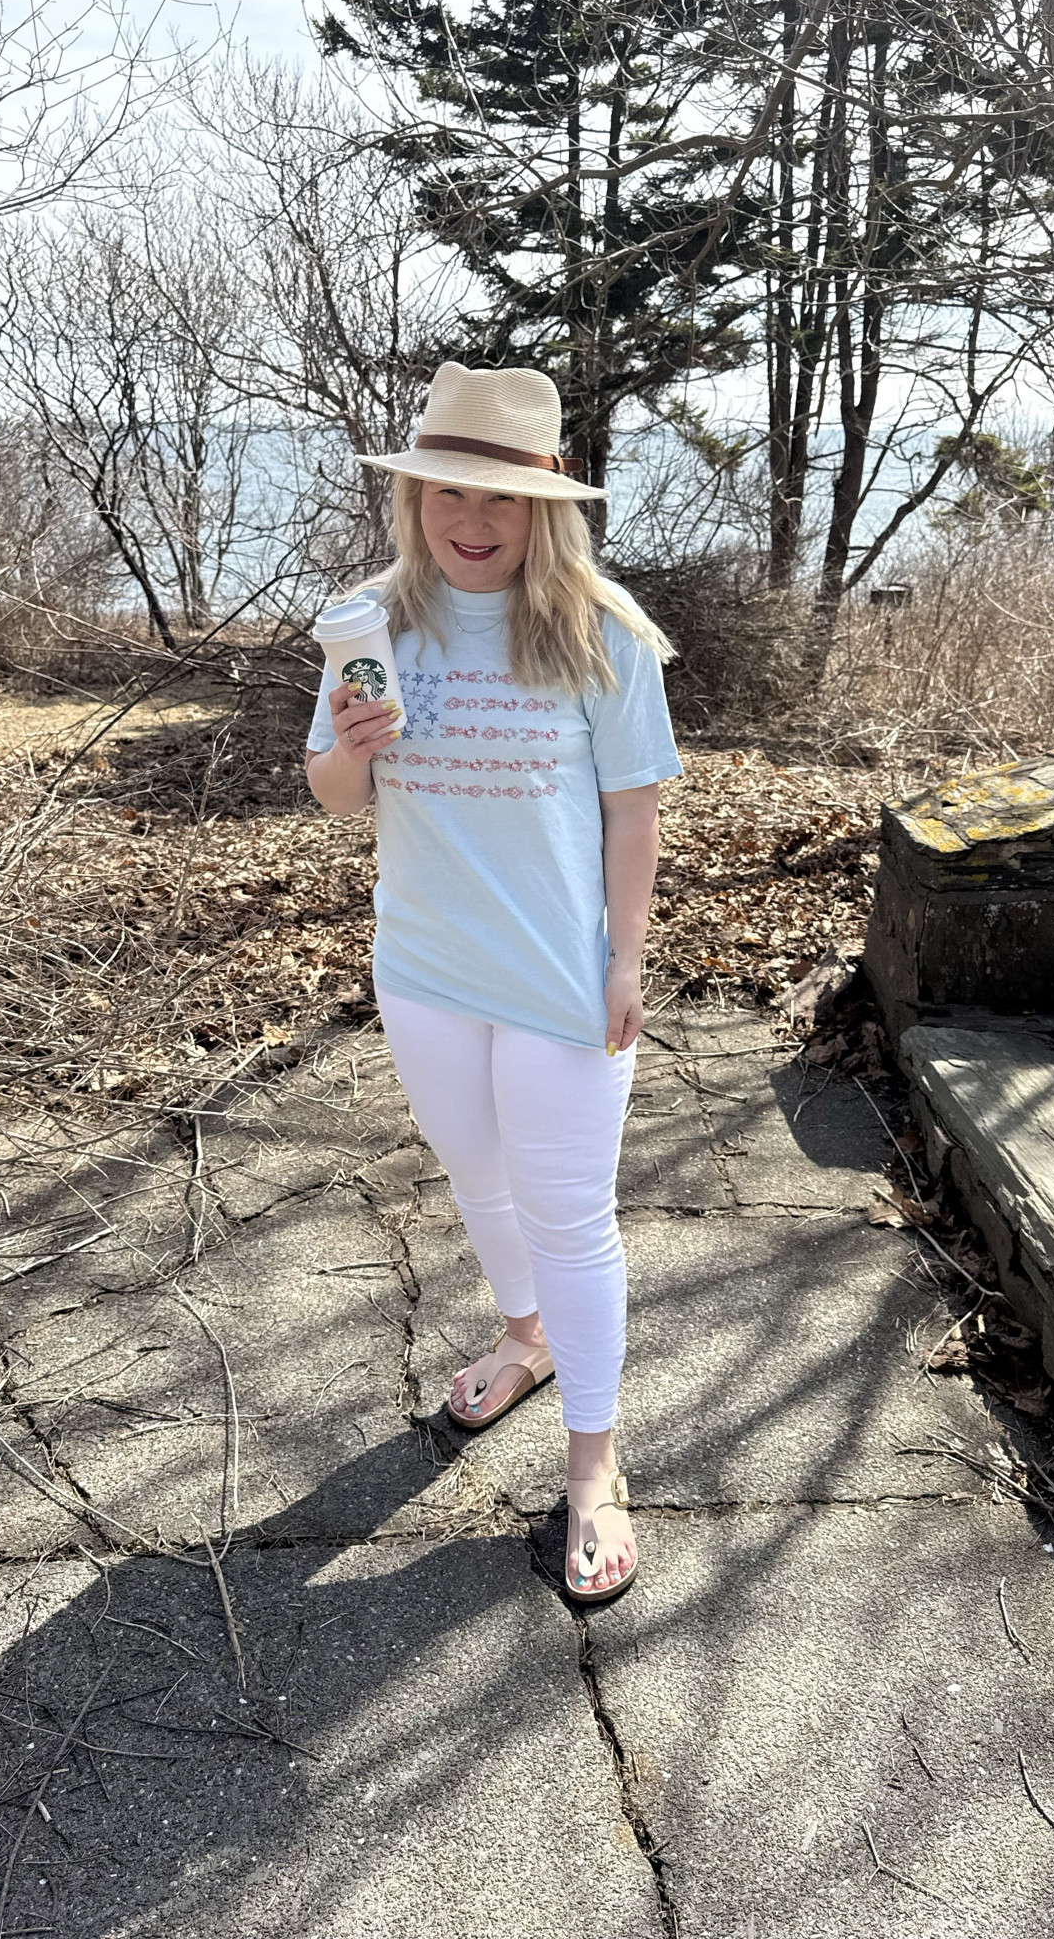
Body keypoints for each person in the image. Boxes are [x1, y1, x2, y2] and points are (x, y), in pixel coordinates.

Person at [304, 362, 681, 1602]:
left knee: (572, 1217)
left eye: (500, 500)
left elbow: (635, 813)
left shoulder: (601, 634)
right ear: (413, 500)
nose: (471, 518)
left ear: (545, 509)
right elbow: (333, 792)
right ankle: (524, 1339)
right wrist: (350, 757)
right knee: (479, 1178)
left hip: (562, 980)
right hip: (423, 968)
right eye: (446, 492)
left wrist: (627, 956)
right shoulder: (370, 623)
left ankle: (594, 1461)